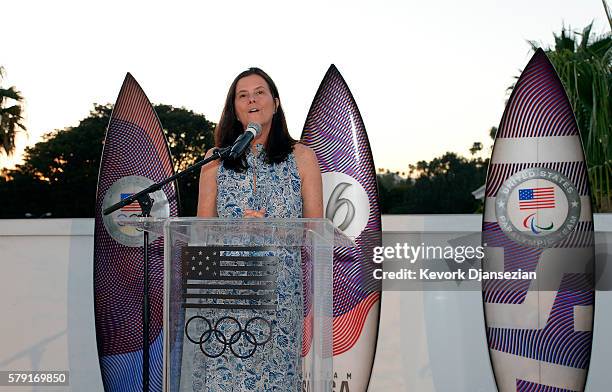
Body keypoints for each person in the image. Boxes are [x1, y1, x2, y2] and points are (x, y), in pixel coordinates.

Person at [193, 67, 323, 390]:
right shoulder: (214, 159)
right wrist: (235, 228)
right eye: (242, 95)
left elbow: (316, 230)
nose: (252, 99)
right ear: (234, 110)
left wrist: (274, 229)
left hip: (280, 295)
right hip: (225, 294)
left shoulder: (303, 157)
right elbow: (200, 231)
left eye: (259, 92)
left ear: (275, 103)